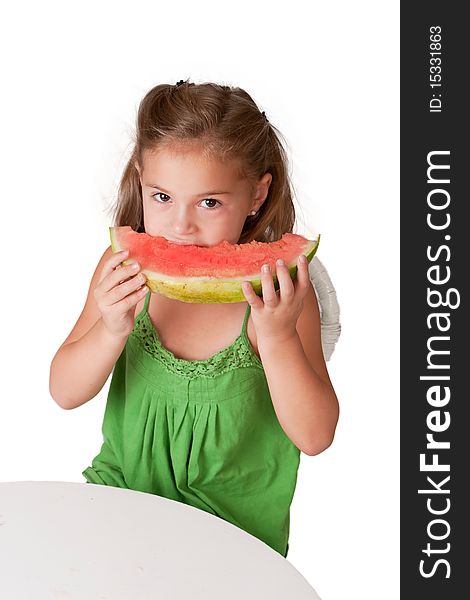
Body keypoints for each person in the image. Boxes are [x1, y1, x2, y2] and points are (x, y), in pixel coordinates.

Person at [49, 79, 339, 558]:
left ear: (257, 195)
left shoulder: (278, 292)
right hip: (121, 503)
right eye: (161, 197)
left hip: (233, 537)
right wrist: (110, 328)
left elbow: (315, 436)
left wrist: (278, 338)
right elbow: (64, 391)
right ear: (140, 178)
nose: (180, 225)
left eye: (209, 202)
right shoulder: (121, 270)